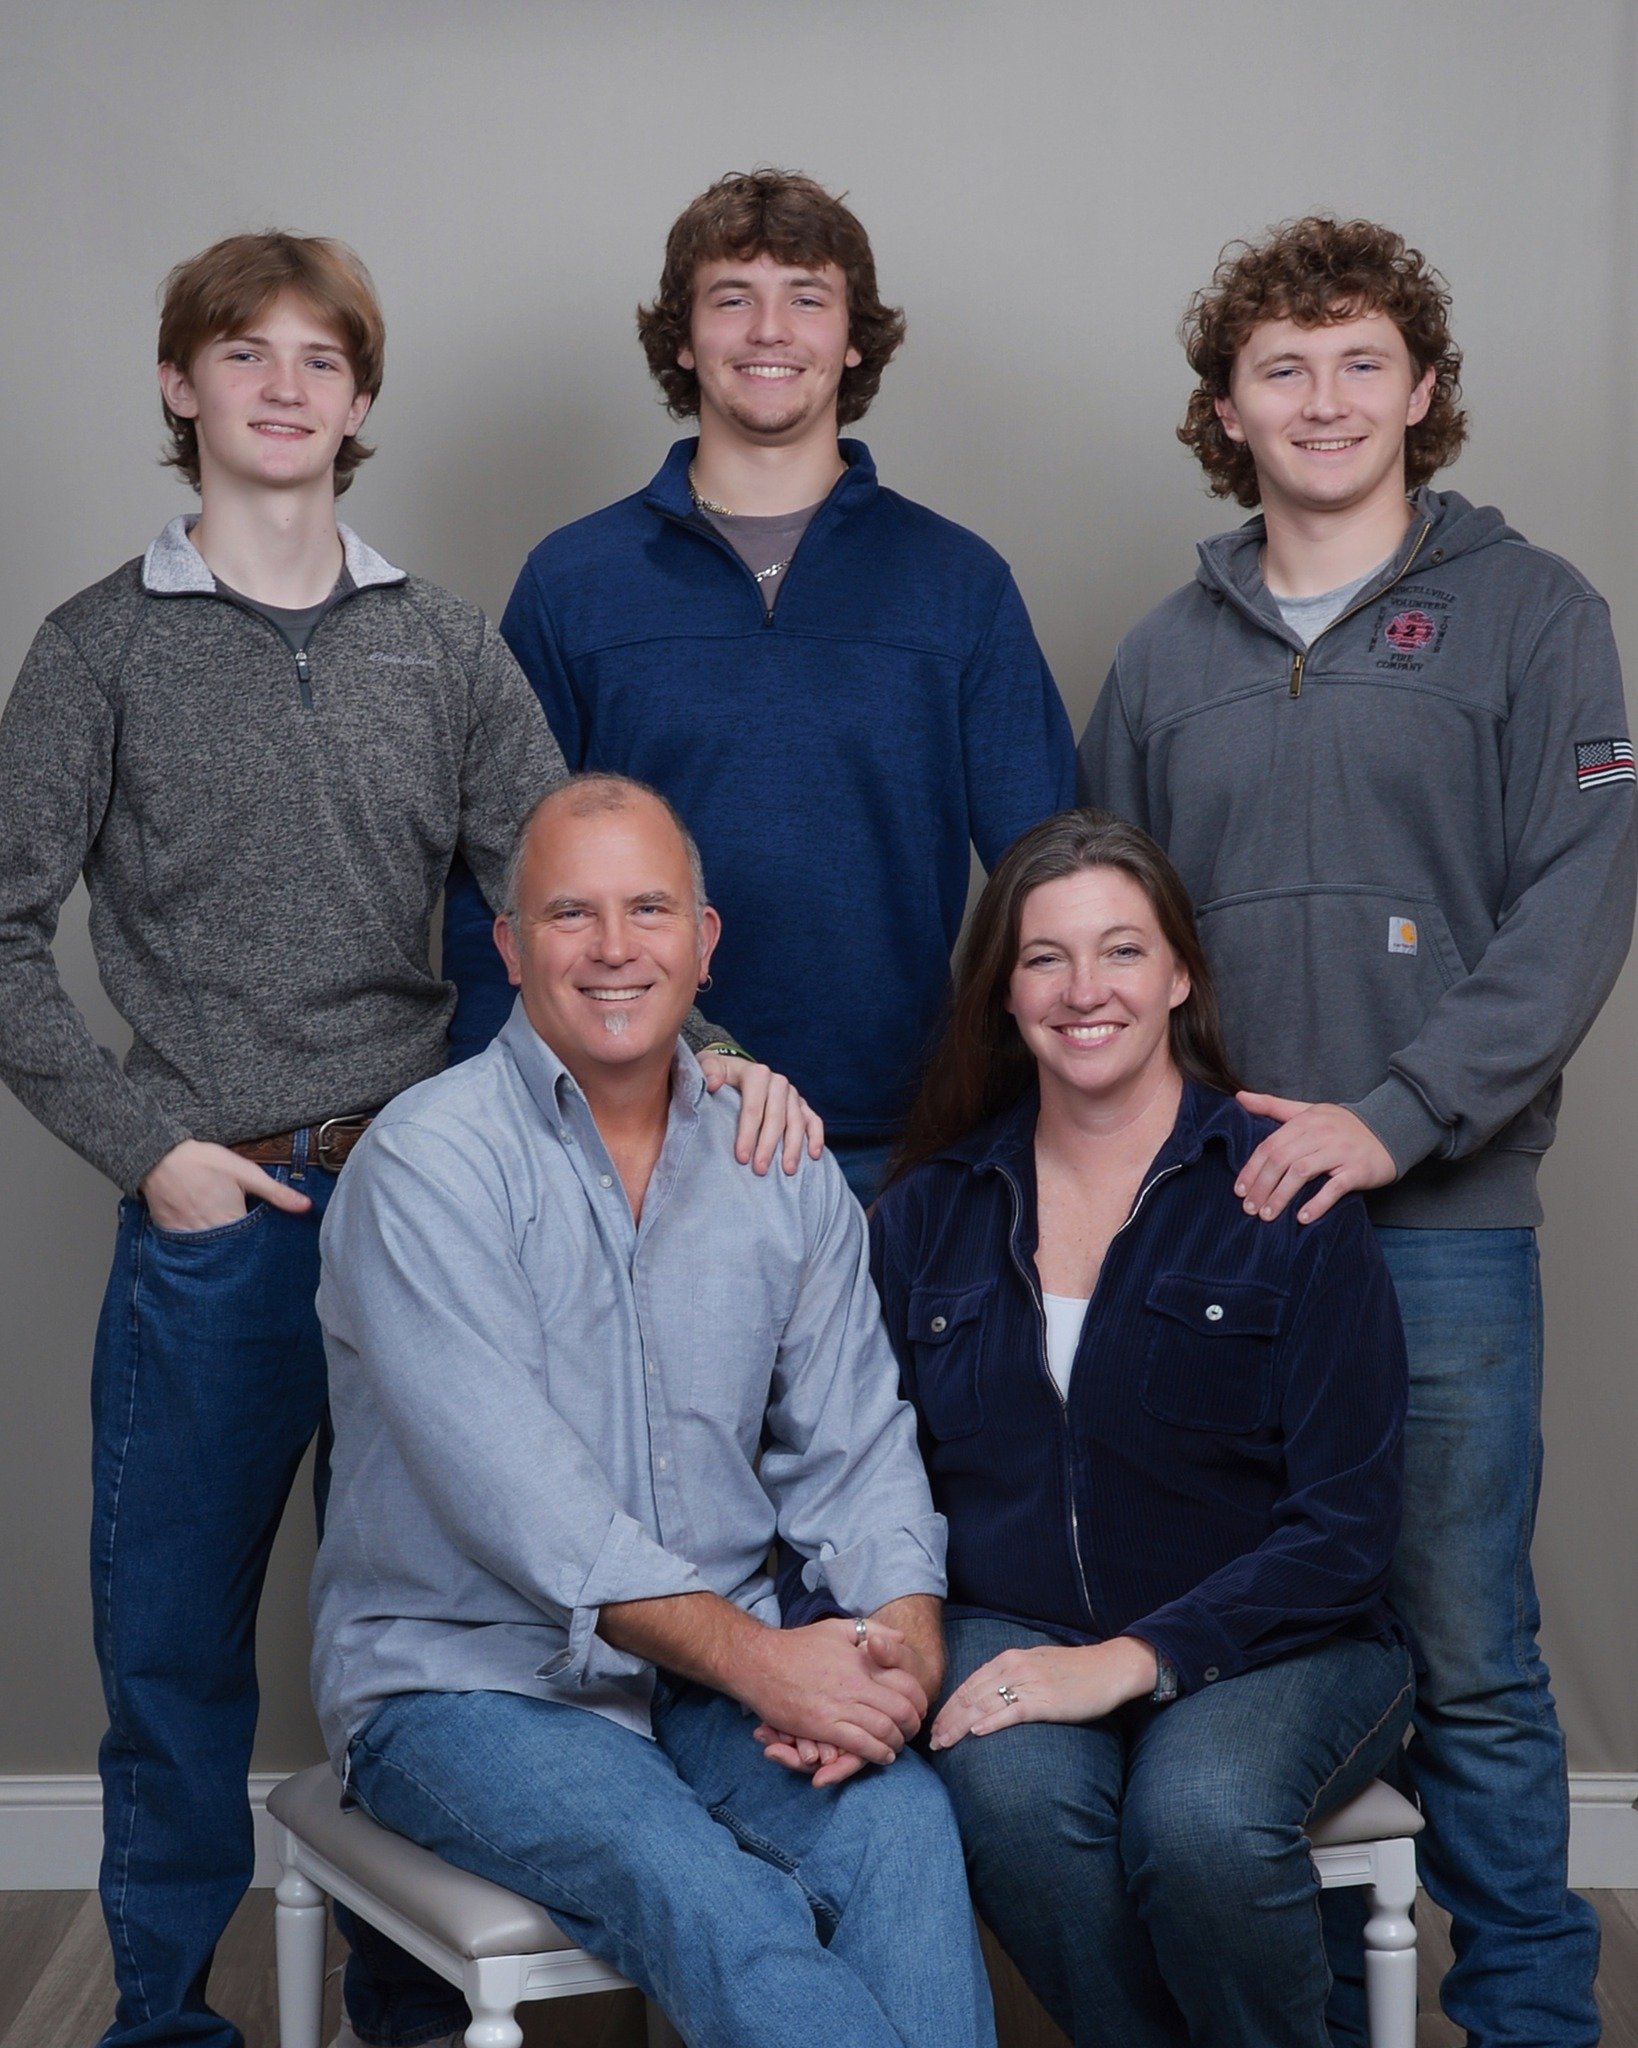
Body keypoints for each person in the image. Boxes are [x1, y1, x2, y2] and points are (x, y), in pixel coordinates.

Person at [0, 232, 814, 2048]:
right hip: (217, 1219)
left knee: (440, 1631)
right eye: (244, 353)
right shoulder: (96, 648)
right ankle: (161, 2023)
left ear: (360, 398)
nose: (282, 387)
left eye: (319, 359)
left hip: (432, 1209)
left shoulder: (440, 643)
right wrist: (149, 1151)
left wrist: (722, 1057)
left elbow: (578, 894)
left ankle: (414, 2010)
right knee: (174, 1647)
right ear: (180, 384)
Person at [1079, 215, 1636, 2048]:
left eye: (1358, 362)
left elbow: (1574, 904)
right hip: (1224, 1235)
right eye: (1280, 367)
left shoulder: (1533, 612)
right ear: (1223, 410)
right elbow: (1110, 942)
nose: (1321, 400)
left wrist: (1396, 1117)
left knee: (1463, 1645)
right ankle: (1312, 2005)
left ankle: (1532, 2015)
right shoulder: (1161, 659)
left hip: (1439, 1232)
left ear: (1419, 391)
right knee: (1267, 1640)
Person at [311, 774, 996, 2048]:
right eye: (570, 913)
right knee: (714, 1899)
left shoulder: (777, 1164)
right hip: (470, 1682)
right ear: (511, 945)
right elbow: (532, 1510)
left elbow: (857, 1448)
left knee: (902, 1825)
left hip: (707, 1678)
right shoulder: (425, 1168)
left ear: (704, 938)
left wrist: (899, 1649)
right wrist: (772, 1665)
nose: (614, 947)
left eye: (649, 908)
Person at [785, 807, 1408, 2048]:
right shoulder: (925, 1211)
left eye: (1123, 950)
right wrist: (837, 1648)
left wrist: (1131, 1657)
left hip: (1282, 1636)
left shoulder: (1285, 1191)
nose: (1085, 990)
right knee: (1008, 1798)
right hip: (1006, 1619)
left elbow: (1348, 1526)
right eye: (1046, 957)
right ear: (1004, 993)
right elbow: (850, 1468)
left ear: (1180, 974)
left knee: (1201, 1819)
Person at [441, 166, 1077, 1203]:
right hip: (631, 1129)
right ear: (684, 339)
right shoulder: (574, 581)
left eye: (807, 299)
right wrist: (504, 1123)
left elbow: (1051, 875)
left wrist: (1062, 1114)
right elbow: (500, 877)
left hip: (903, 1145)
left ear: (854, 338)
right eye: (732, 298)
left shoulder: (958, 583)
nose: (769, 330)